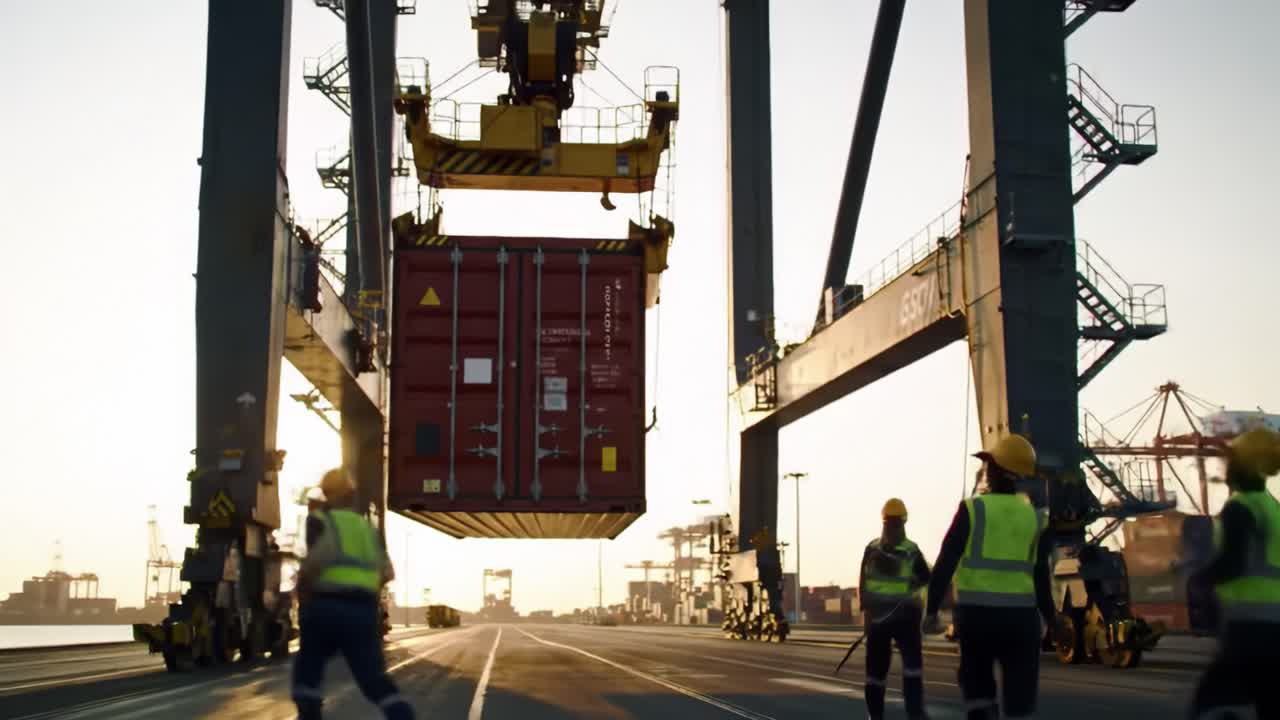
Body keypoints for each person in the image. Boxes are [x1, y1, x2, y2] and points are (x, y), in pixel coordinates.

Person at [922, 434, 1054, 720]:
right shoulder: (1035, 518)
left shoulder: (973, 509)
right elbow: (1041, 576)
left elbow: (945, 564)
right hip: (1021, 622)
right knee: (1020, 706)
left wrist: (931, 611)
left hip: (977, 620)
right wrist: (1053, 621)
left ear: (994, 470)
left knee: (978, 696)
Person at [292, 468, 414, 720]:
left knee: (309, 670)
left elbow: (319, 558)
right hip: (363, 611)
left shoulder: (320, 521)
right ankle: (402, 716)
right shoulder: (367, 528)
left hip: (325, 607)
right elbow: (387, 572)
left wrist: (302, 585)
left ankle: (309, 715)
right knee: (374, 680)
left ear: (328, 494)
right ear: (351, 495)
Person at [1189, 427, 1280, 719]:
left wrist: (1200, 580)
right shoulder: (1273, 508)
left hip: (1248, 629)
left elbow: (1233, 563)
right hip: (1275, 628)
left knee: (1209, 705)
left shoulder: (1239, 508)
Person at [859, 498, 932, 720]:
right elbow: (926, 579)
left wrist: (867, 615)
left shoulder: (871, 548)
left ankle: (875, 716)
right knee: (912, 669)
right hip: (905, 617)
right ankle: (915, 712)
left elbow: (862, 584)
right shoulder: (911, 550)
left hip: (878, 620)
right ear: (904, 521)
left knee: (875, 675)